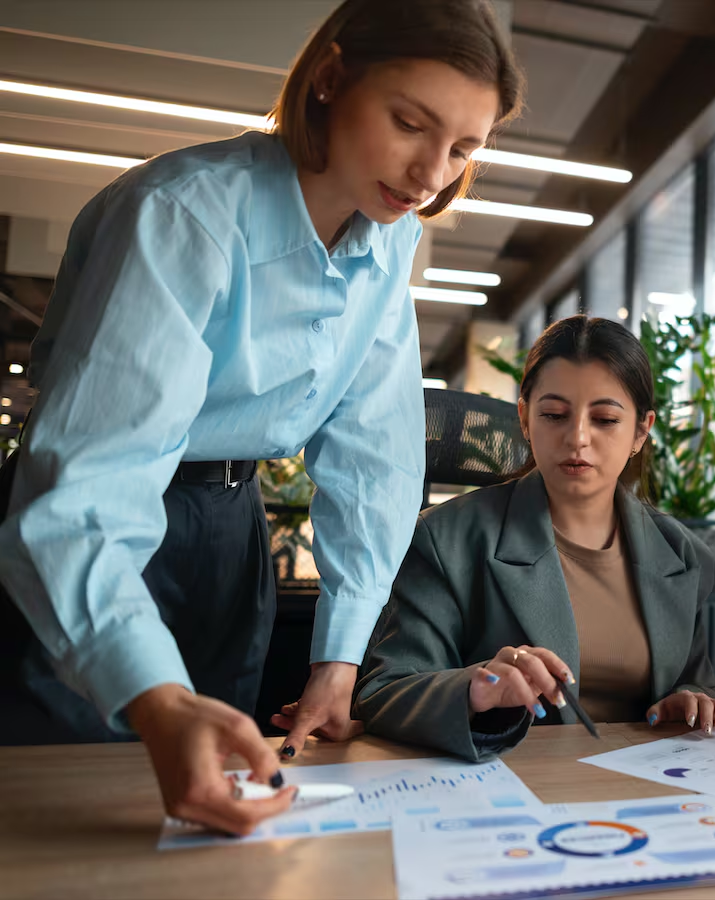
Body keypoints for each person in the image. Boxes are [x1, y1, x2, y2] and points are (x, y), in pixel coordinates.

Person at [0, 0, 521, 835]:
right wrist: (153, 698)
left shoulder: (387, 240)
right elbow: (87, 492)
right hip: (103, 531)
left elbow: (374, 456)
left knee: (215, 815)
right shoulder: (185, 212)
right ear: (329, 79)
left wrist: (339, 656)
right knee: (66, 810)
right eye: (408, 124)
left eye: (463, 149)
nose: (431, 174)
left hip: (230, 533)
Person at [355, 316, 715, 760]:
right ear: (524, 417)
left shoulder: (680, 552)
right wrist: (475, 690)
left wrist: (690, 698)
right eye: (555, 415)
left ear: (641, 431)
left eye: (605, 419)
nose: (577, 438)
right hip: (510, 791)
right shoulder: (446, 540)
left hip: (651, 791)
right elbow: (383, 691)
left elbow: (697, 679)